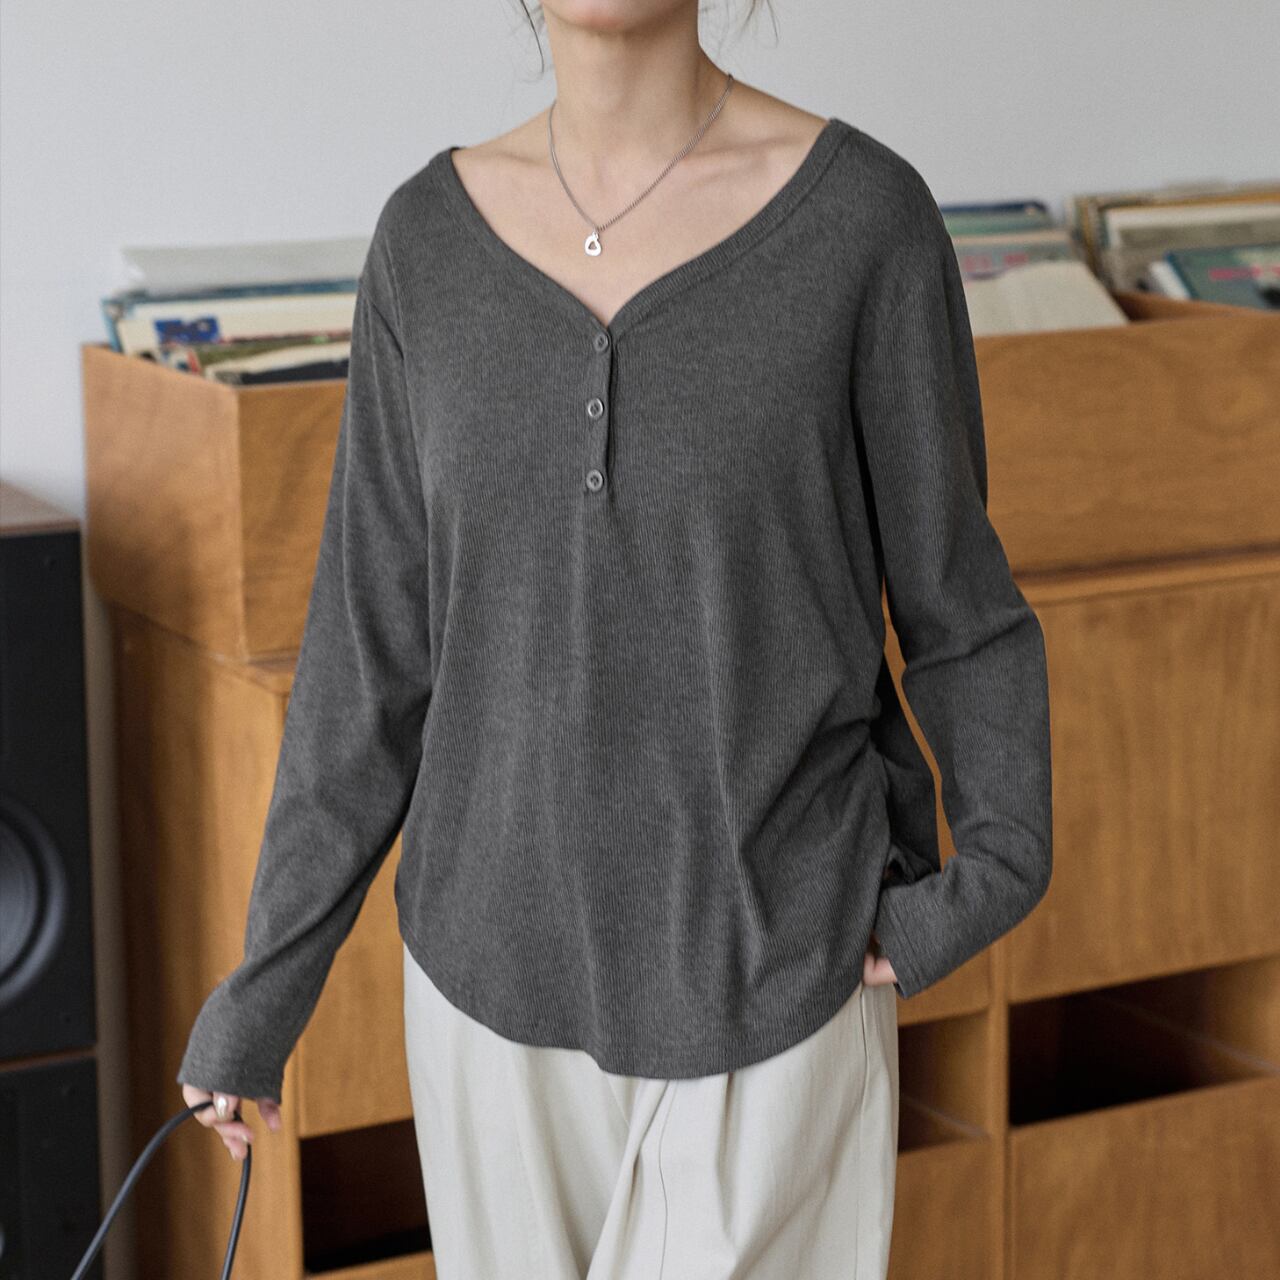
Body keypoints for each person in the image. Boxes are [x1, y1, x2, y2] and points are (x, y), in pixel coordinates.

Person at [179, 1, 1054, 1275]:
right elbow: (370, 654)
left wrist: (993, 873)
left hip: (775, 972)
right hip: (484, 997)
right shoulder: (423, 242)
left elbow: (959, 608)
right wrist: (264, 989)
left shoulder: (864, 222)